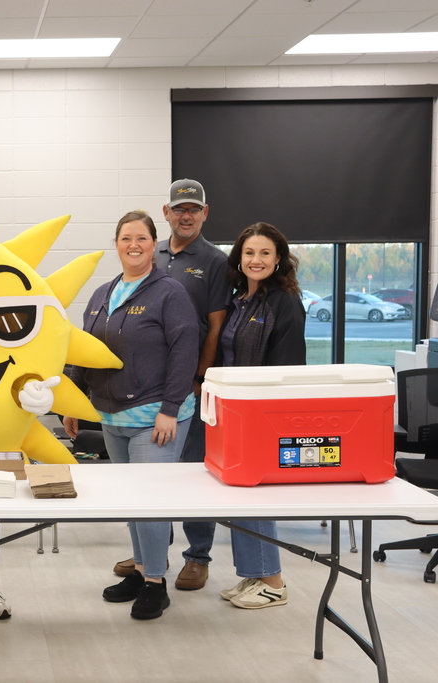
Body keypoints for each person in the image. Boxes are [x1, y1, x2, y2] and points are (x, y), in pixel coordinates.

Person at [65, 210, 198, 620]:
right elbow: (85, 348)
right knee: (131, 502)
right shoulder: (103, 293)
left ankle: (156, 583)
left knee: (150, 502)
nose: (133, 245)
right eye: (126, 238)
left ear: (154, 244)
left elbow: (185, 351)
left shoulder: (169, 292)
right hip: (112, 416)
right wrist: (72, 399)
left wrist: (170, 409)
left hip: (155, 416)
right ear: (117, 244)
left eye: (141, 238)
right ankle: (141, 572)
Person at [113, 179, 230, 592]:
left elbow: (214, 327)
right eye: (179, 209)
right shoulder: (152, 252)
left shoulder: (215, 261)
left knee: (194, 472)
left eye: (193, 209)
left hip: (189, 389)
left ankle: (197, 556)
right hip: (149, 388)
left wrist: (198, 378)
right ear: (166, 212)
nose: (186, 215)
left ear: (205, 213)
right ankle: (151, 556)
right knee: (151, 484)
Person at [216, 222, 303, 609]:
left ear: (278, 258)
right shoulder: (240, 299)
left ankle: (273, 582)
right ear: (239, 258)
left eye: (265, 253)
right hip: (234, 413)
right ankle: (254, 573)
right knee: (240, 496)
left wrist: (274, 416)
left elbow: (288, 365)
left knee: (255, 495)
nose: (256, 260)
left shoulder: (284, 301)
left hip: (264, 415)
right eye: (249, 253)